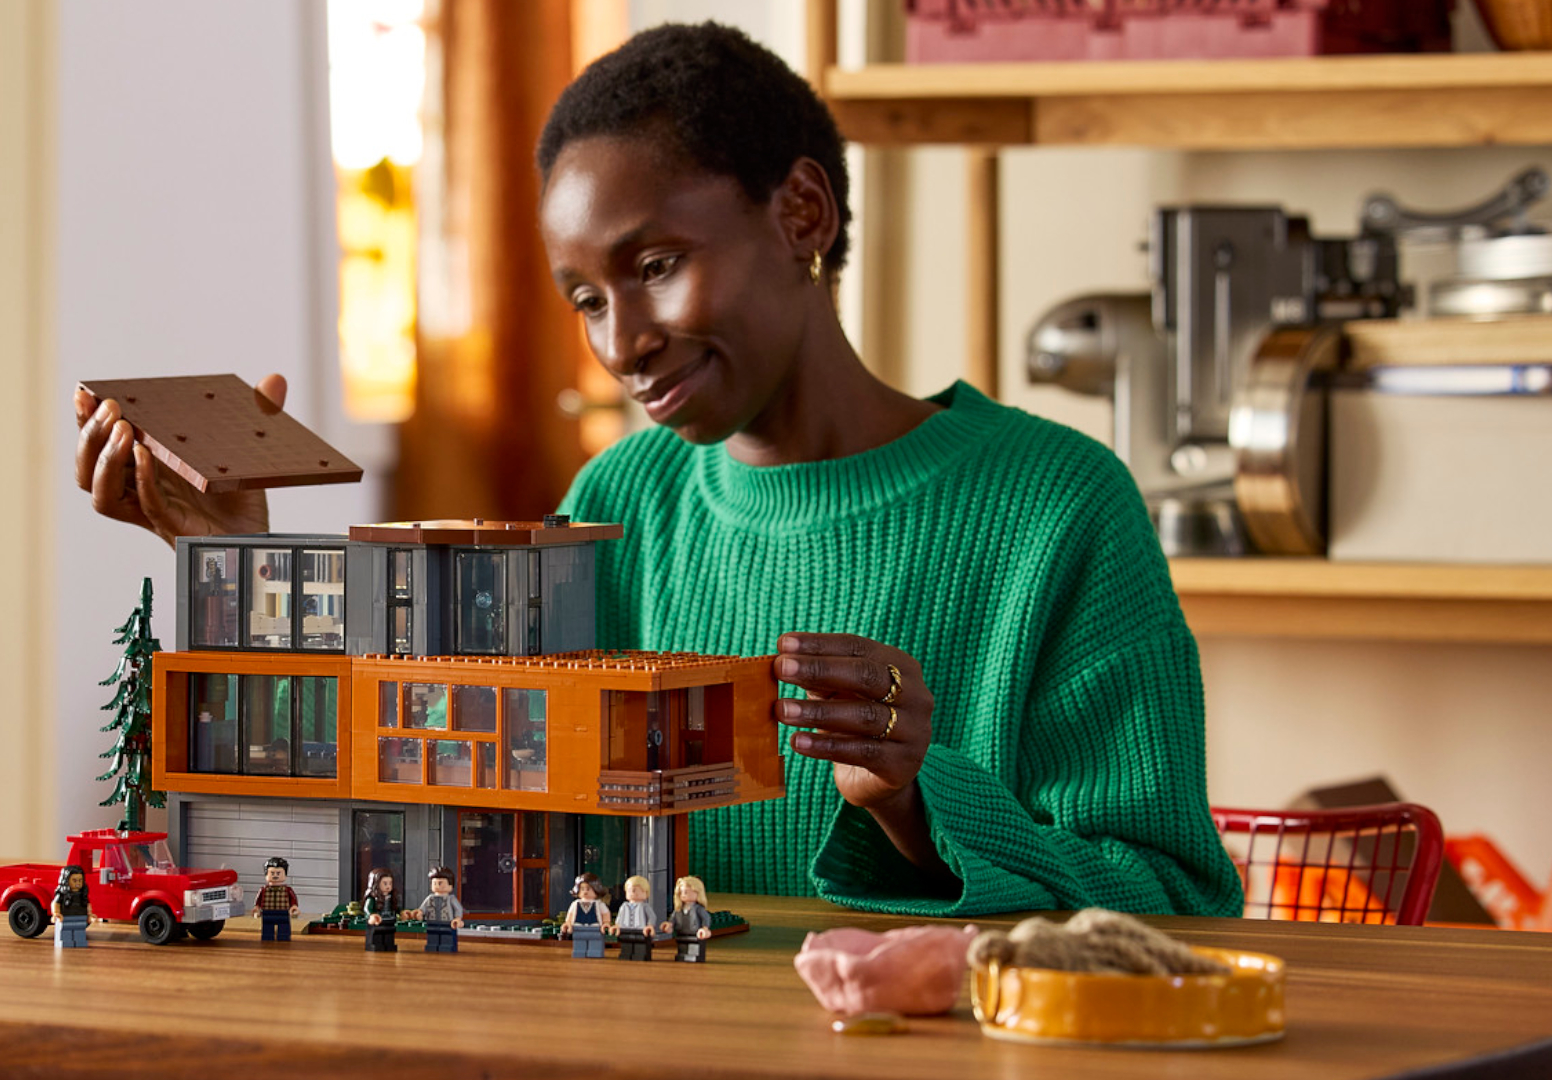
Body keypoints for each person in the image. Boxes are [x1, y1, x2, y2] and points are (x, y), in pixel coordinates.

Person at [73, 22, 1241, 920]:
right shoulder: (619, 507)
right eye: (586, 297)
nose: (621, 342)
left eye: (657, 265)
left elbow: (1178, 903)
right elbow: (450, 786)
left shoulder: (1058, 507)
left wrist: (918, 804)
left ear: (801, 211)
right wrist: (239, 558)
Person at [661, 876, 713, 963]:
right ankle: (683, 955)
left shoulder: (698, 909)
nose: (683, 895)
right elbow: (672, 919)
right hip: (681, 933)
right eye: (681, 892)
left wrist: (705, 928)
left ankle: (694, 956)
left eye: (686, 892)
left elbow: (706, 918)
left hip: (695, 934)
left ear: (698, 892)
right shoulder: (678, 910)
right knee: (682, 946)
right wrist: (669, 925)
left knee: (693, 946)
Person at [416, 867, 466, 953]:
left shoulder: (451, 899)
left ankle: (447, 946)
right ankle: (432, 946)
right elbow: (423, 908)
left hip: (447, 922)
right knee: (432, 935)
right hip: (432, 921)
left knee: (446, 935)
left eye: (440, 883)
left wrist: (458, 918)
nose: (437, 886)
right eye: (434, 883)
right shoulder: (430, 898)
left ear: (450, 885)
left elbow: (458, 909)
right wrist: (420, 913)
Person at [563, 873, 612, 958]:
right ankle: (579, 952)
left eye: (588, 889)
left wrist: (606, 923)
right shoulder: (575, 904)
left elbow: (605, 914)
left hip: (595, 928)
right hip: (578, 928)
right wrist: (568, 923)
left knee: (596, 943)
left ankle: (595, 952)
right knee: (579, 944)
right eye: (582, 889)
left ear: (596, 889)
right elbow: (570, 915)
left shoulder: (599, 904)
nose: (585, 891)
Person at [253, 856, 300, 943]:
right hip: (267, 912)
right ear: (266, 874)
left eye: (278, 873)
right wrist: (257, 908)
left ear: (285, 874)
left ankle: (283, 937)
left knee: (284, 929)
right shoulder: (263, 890)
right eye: (272, 873)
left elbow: (293, 899)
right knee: (267, 929)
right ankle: (267, 937)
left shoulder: (287, 890)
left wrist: (294, 907)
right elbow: (258, 900)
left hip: (283, 912)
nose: (275, 876)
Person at [613, 875, 657, 961]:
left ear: (646, 893)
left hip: (641, 930)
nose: (633, 892)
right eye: (630, 890)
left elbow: (652, 916)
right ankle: (626, 954)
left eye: (637, 890)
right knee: (626, 944)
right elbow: (619, 917)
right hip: (626, 929)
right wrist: (617, 926)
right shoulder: (624, 906)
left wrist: (650, 926)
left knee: (640, 945)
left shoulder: (645, 906)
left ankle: (640, 954)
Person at [362, 867, 402, 952]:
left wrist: (401, 913)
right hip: (378, 921)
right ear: (376, 884)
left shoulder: (391, 898)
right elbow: (367, 908)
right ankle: (376, 945)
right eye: (385, 883)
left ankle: (389, 945)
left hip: (389, 921)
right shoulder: (373, 898)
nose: (388, 886)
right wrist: (371, 915)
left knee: (389, 936)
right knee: (377, 936)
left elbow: (396, 908)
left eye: (390, 883)